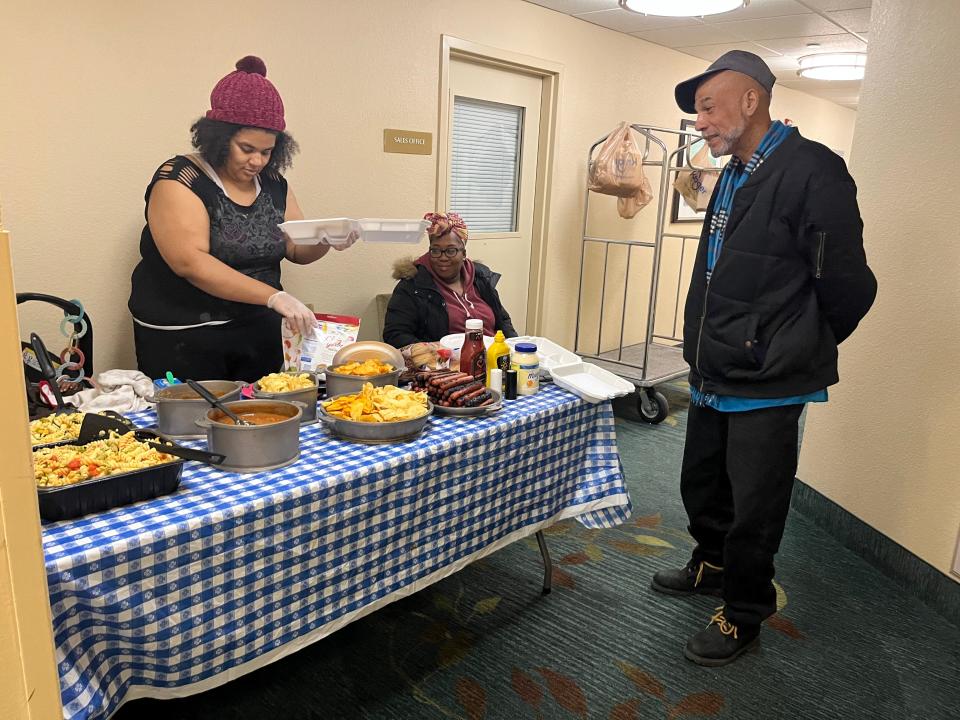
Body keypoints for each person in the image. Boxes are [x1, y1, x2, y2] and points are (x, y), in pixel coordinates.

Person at [651, 51, 877, 667]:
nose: (699, 122)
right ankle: (711, 566)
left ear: (751, 101)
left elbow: (850, 285)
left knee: (756, 505)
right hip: (713, 366)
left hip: (768, 380)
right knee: (704, 483)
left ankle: (745, 612)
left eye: (707, 106)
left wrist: (795, 342)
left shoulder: (814, 171)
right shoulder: (736, 171)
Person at [128, 56, 354, 381]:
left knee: (261, 414)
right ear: (218, 138)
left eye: (267, 151)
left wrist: (326, 239)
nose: (257, 161)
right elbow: (190, 263)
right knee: (193, 425)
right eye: (246, 148)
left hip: (257, 325)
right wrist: (274, 296)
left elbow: (296, 249)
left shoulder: (274, 184)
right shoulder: (179, 179)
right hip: (186, 333)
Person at [382, 212, 517, 348]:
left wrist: (514, 348)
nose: (443, 257)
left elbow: (503, 320)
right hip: (444, 364)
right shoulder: (412, 286)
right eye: (435, 251)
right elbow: (395, 335)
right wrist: (434, 351)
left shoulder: (480, 277)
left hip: (494, 358)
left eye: (451, 251)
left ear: (463, 253)